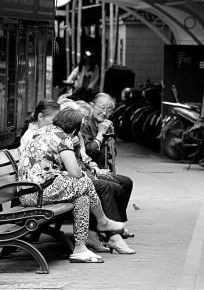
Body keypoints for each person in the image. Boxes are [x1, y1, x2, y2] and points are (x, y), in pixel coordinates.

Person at [18, 108, 125, 263]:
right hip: (36, 193)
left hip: (30, 190)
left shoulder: (44, 130)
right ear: (74, 128)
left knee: (81, 196)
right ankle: (102, 221)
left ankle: (80, 248)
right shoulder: (63, 138)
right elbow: (75, 172)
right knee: (84, 182)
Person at [60, 100, 136, 254]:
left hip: (78, 174)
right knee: (105, 186)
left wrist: (93, 166)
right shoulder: (63, 136)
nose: (83, 122)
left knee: (122, 183)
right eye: (81, 119)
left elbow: (86, 157)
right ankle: (109, 233)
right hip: (60, 181)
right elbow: (85, 156)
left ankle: (109, 226)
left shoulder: (75, 134)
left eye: (109, 109)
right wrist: (100, 136)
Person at [81, 94, 134, 237]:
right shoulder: (85, 124)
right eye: (101, 108)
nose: (104, 113)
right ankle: (114, 229)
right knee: (114, 185)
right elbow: (89, 151)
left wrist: (109, 137)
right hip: (90, 169)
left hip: (99, 168)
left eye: (109, 110)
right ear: (93, 105)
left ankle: (120, 222)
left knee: (127, 182)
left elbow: (111, 154)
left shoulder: (105, 124)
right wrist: (101, 133)